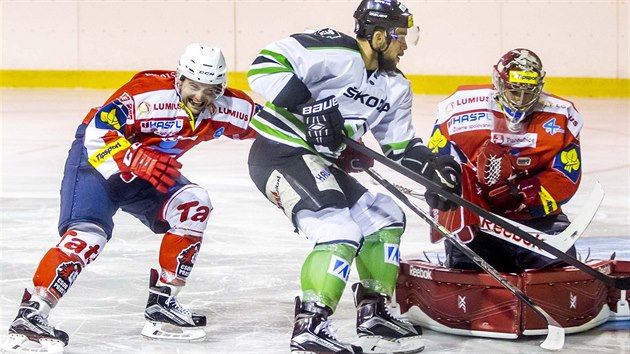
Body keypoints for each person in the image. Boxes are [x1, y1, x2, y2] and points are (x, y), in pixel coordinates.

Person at [2, 43, 257, 353]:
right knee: (88, 236)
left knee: (193, 204)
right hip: (97, 164)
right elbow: (97, 135)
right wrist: (133, 157)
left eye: (211, 89)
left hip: (151, 173)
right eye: (194, 85)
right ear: (179, 79)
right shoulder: (145, 93)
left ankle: (163, 302)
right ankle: (32, 314)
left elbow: (273, 126)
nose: (200, 97)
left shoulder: (229, 106)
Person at [246, 1, 461, 353]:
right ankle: (310, 326)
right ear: (378, 36)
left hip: (319, 162)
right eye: (400, 37)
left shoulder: (394, 87)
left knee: (384, 218)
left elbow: (400, 147)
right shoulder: (334, 51)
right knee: (337, 230)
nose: (404, 46)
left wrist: (433, 169)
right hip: (279, 152)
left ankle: (373, 311)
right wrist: (308, 105)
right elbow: (264, 66)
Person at [427, 48, 583, 273]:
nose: (521, 100)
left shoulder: (562, 116)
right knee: (469, 274)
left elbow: (567, 176)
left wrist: (525, 194)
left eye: (529, 93)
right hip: (479, 223)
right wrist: (461, 195)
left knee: (558, 274)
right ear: (499, 84)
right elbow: (437, 165)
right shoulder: (458, 108)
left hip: (537, 221)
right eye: (514, 91)